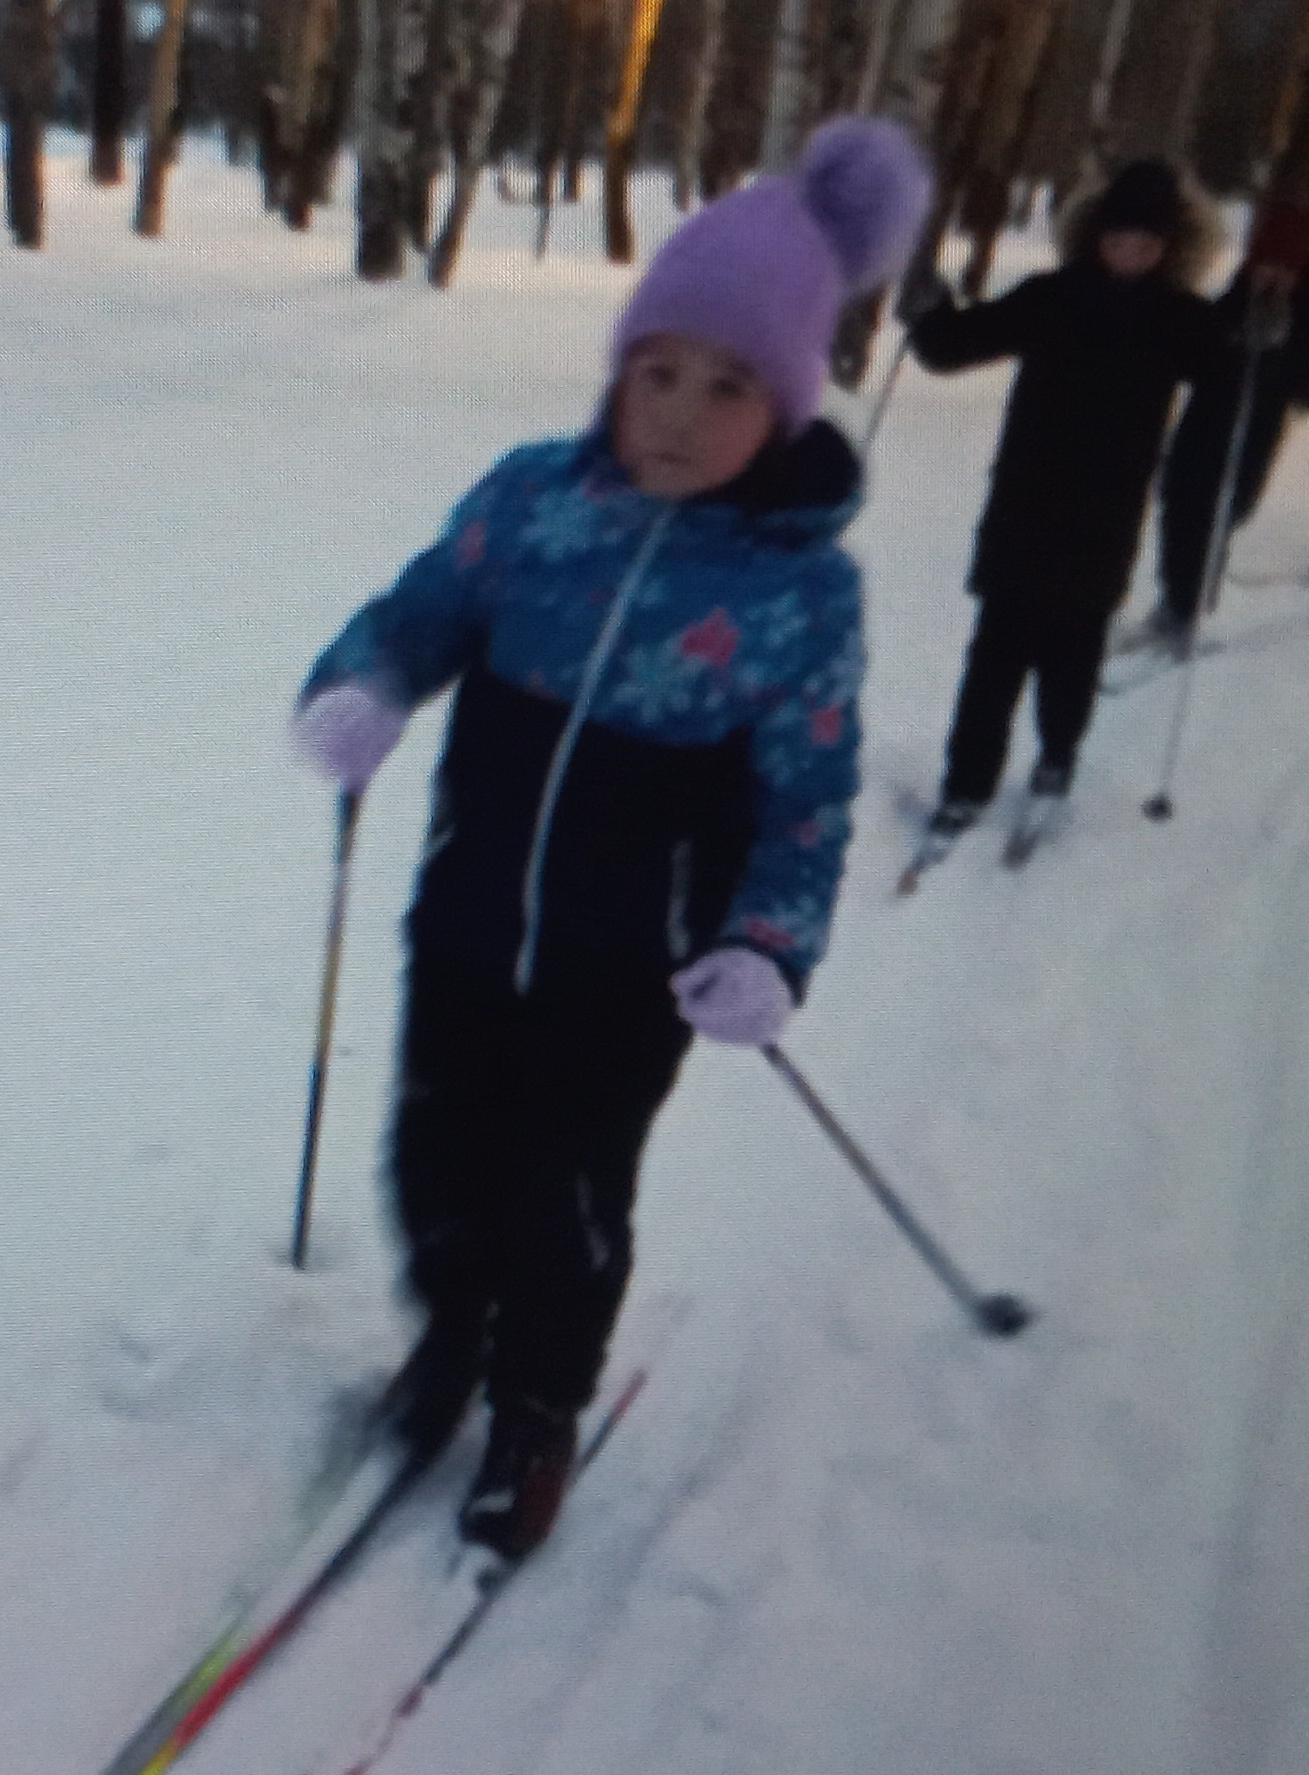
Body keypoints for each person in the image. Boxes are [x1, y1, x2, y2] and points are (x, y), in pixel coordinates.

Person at [291, 118, 929, 1561]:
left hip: (625, 965)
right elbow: (420, 613)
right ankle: (450, 1335)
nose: (678, 413)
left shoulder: (798, 598)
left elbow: (807, 799)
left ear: (782, 405)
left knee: (566, 1196)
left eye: (724, 387)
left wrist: (767, 940)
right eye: (657, 372)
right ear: (619, 369)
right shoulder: (532, 501)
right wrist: (361, 684)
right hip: (465, 923)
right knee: (436, 1156)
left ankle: (536, 1401)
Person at [902, 156, 1226, 846]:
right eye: (1117, 240)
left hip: (1104, 517)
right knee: (994, 655)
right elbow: (959, 344)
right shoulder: (1051, 297)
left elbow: (1230, 378)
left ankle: (1056, 758)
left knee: (1071, 657)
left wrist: (1262, 331)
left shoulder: (1181, 319)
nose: (1128, 255)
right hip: (1024, 503)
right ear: (1092, 236)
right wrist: (929, 313)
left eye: (1145, 244)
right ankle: (965, 785)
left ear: (1169, 248)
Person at [1150, 199, 1309, 634]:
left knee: (1223, 513)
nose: (1273, 275)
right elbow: (1194, 349)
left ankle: (1191, 601)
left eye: (1285, 268)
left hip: (1255, 433)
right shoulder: (1234, 302)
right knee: (1179, 506)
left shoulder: (1303, 325)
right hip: (1202, 427)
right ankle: (1178, 599)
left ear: (1300, 270)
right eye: (1265, 264)